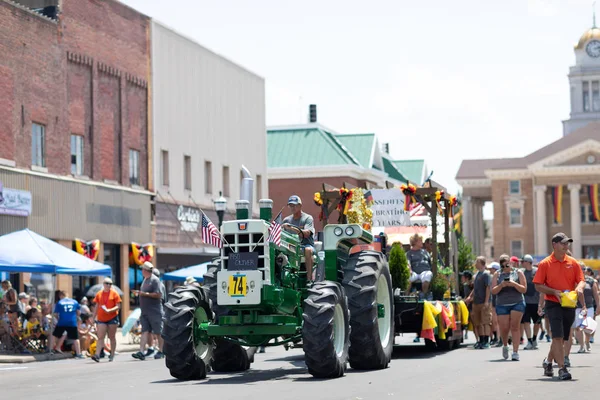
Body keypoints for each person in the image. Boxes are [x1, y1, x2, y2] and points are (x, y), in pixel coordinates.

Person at [534, 232, 585, 381]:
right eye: (563, 243)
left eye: (567, 243)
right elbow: (538, 285)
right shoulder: (545, 264)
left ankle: (548, 362)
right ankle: (562, 369)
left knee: (562, 338)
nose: (566, 246)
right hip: (553, 303)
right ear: (554, 245)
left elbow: (581, 280)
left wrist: (580, 287)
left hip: (569, 303)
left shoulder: (573, 262)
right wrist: (553, 291)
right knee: (557, 336)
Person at [491, 254, 527, 361]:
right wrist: (501, 285)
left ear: (510, 263)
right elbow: (493, 291)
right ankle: (505, 345)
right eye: (503, 266)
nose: (505, 267)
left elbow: (524, 289)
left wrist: (514, 284)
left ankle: (515, 352)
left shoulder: (518, 272)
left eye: (507, 264)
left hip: (517, 302)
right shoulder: (497, 274)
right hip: (502, 304)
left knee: (515, 326)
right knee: (504, 328)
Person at [131, 261, 164, 360]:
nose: (141, 271)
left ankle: (161, 351)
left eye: (142, 269)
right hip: (144, 311)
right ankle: (141, 351)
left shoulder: (155, 280)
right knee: (145, 331)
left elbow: (158, 294)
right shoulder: (145, 279)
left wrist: (143, 294)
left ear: (145, 270)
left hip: (155, 311)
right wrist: (140, 293)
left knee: (158, 332)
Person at [282, 195, 316, 283]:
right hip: (291, 246)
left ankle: (309, 279)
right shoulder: (286, 220)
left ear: (300, 206)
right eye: (290, 205)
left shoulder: (307, 218)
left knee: (308, 250)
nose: (292, 208)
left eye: (294, 205)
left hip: (305, 245)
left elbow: (307, 234)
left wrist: (292, 228)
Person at [571, 264, 599, 354]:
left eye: (584, 269)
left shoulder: (591, 281)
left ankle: (587, 342)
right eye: (580, 269)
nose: (582, 270)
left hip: (589, 307)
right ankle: (582, 346)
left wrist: (598, 305)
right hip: (577, 307)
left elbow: (595, 294)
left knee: (587, 327)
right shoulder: (573, 279)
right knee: (578, 327)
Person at [92, 277, 122, 362]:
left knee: (111, 337)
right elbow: (97, 306)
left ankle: (112, 354)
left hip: (112, 318)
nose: (108, 285)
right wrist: (93, 317)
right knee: (100, 336)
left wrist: (110, 310)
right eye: (107, 283)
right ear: (103, 284)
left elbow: (118, 306)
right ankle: (97, 355)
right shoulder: (99, 294)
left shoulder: (115, 294)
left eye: (110, 284)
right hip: (101, 318)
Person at [465, 257, 492, 349]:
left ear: (482, 263)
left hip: (483, 302)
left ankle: (486, 341)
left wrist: (486, 301)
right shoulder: (476, 275)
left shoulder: (486, 274)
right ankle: (481, 340)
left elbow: (488, 287)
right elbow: (475, 288)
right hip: (476, 302)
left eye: (477, 262)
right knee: (478, 322)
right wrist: (470, 296)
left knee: (486, 322)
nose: (475, 264)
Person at [51, 291, 84, 359]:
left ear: (61, 296)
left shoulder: (59, 302)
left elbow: (55, 314)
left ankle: (51, 349)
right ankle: (78, 353)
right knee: (75, 338)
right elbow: (78, 312)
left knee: (54, 335)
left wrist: (59, 318)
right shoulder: (74, 302)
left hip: (62, 321)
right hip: (72, 322)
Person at [520, 254, 541, 350]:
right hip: (525, 301)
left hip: (536, 301)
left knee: (537, 322)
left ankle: (534, 338)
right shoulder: (521, 273)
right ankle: (529, 340)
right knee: (526, 322)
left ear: (528, 262)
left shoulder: (537, 271)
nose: (522, 263)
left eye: (523, 261)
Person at [406, 234, 433, 298]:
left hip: (425, 271)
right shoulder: (409, 253)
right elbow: (408, 263)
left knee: (427, 275)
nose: (422, 242)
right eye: (420, 240)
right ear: (415, 242)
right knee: (408, 278)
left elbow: (430, 263)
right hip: (414, 272)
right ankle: (406, 296)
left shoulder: (425, 252)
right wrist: (409, 270)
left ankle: (423, 296)